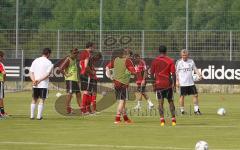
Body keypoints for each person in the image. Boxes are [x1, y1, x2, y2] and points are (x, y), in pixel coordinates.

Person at [107, 48, 136, 124]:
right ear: (127, 54)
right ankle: (117, 118)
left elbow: (107, 67)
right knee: (122, 101)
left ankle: (126, 119)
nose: (130, 57)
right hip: (123, 83)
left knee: (123, 102)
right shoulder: (127, 61)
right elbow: (133, 72)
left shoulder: (116, 59)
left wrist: (110, 76)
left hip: (116, 83)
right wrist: (133, 74)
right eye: (130, 55)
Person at [151, 45, 176, 126]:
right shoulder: (170, 60)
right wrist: (174, 85)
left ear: (159, 51)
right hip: (168, 85)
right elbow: (173, 74)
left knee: (160, 103)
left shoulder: (155, 61)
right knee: (171, 101)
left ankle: (162, 121)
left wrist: (153, 85)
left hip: (159, 85)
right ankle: (173, 120)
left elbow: (151, 74)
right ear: (166, 51)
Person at [176, 49, 203, 115]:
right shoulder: (178, 62)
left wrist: (200, 75)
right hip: (183, 83)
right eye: (183, 55)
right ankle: (182, 111)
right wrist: (177, 81)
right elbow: (176, 73)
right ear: (181, 55)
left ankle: (196, 110)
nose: (184, 56)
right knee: (182, 96)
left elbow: (195, 69)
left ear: (188, 55)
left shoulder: (191, 61)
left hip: (191, 82)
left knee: (195, 95)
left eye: (185, 55)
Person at [30, 48, 53, 120]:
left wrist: (34, 80)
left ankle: (32, 116)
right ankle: (39, 116)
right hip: (43, 84)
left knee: (34, 99)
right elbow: (47, 74)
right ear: (48, 54)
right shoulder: (49, 63)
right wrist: (39, 80)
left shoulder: (35, 60)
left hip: (35, 84)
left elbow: (31, 72)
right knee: (42, 100)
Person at [58, 48, 81, 114]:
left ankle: (82, 109)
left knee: (79, 94)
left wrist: (78, 79)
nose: (76, 55)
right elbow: (60, 69)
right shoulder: (68, 59)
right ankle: (68, 109)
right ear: (71, 53)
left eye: (77, 53)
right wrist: (66, 74)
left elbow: (76, 71)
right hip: (70, 79)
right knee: (70, 95)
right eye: (74, 53)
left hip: (75, 80)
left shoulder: (75, 60)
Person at [79, 42, 96, 114]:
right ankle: (84, 110)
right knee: (87, 92)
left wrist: (82, 70)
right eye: (93, 47)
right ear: (90, 47)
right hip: (87, 75)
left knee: (86, 92)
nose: (94, 49)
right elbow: (86, 65)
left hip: (82, 74)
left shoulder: (82, 53)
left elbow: (80, 64)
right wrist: (91, 72)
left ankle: (87, 109)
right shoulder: (87, 53)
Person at [0, 51, 7, 118]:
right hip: (0, 82)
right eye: (2, 57)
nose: (3, 58)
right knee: (0, 97)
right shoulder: (0, 64)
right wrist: (4, 79)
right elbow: (4, 73)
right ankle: (2, 112)